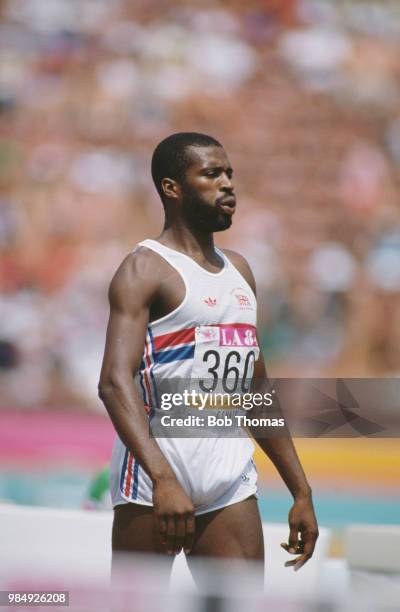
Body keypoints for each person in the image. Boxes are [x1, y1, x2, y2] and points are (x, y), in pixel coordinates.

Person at [98, 132, 318, 581]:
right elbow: (113, 383)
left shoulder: (241, 272)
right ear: (172, 188)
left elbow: (255, 390)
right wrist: (162, 479)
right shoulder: (145, 268)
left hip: (228, 484)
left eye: (230, 174)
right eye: (212, 174)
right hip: (152, 481)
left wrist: (300, 489)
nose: (228, 185)